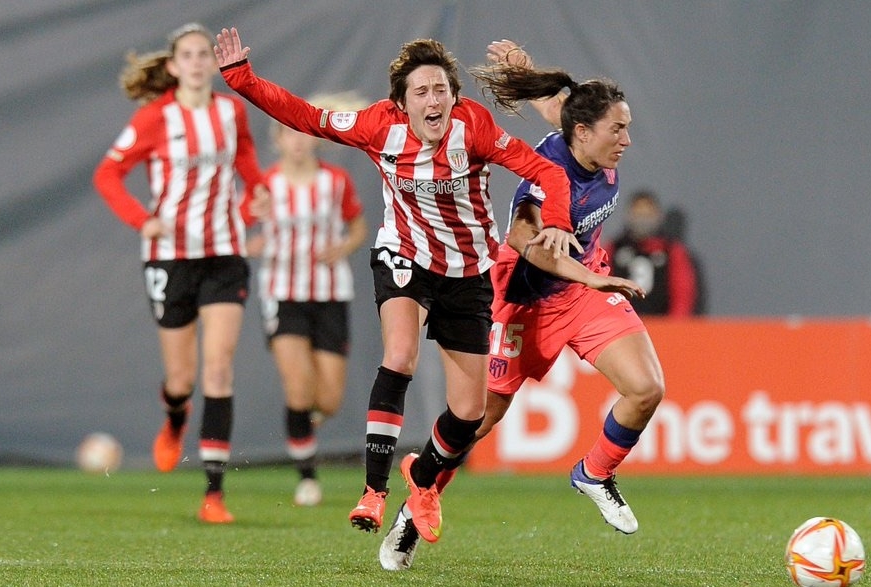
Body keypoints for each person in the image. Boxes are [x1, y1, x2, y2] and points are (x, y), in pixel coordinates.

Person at [213, 27, 579, 547]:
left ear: (455, 95)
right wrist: (241, 78)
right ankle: (373, 492)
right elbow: (306, 117)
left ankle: (423, 483)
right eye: (421, 92)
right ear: (400, 104)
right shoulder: (376, 127)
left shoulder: (474, 128)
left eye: (441, 90)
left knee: (469, 412)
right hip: (404, 255)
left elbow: (547, 171)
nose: (434, 101)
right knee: (400, 354)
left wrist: (559, 221)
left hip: (469, 270)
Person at [379, 40, 665, 570]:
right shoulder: (544, 173)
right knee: (476, 421)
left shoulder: (585, 136)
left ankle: (595, 473)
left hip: (582, 291)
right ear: (584, 135)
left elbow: (562, 105)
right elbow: (523, 240)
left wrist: (528, 74)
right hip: (523, 299)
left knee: (647, 388)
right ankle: (412, 508)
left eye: (625, 126)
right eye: (617, 129)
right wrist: (592, 278)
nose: (626, 139)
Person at [92, 23, 266, 524]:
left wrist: (258, 194)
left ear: (213, 64)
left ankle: (214, 494)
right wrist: (143, 220)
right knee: (181, 377)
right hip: (170, 257)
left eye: (202, 55)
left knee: (218, 367)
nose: (195, 63)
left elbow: (247, 161)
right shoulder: (155, 118)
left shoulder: (231, 111)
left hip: (224, 254)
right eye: (186, 55)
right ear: (172, 66)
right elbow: (108, 174)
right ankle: (174, 420)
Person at [256, 91, 370, 507]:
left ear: (314, 137)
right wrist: (250, 245)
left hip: (329, 294)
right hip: (283, 294)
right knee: (299, 387)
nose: (297, 140)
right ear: (278, 141)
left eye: (302, 131)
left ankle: (306, 424)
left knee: (330, 399)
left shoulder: (335, 182)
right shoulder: (264, 184)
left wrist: (343, 247)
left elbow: (357, 227)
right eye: (288, 133)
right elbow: (245, 228)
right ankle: (306, 477)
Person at [607, 189, 700, 317]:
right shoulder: (614, 248)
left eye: (647, 214)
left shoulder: (671, 250)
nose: (642, 220)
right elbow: (602, 290)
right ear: (629, 215)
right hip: (620, 326)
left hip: (662, 326)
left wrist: (676, 328)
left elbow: (682, 294)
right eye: (638, 214)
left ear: (657, 216)